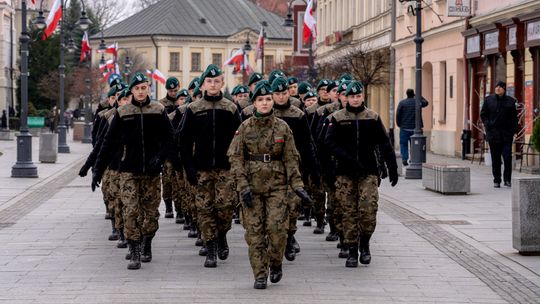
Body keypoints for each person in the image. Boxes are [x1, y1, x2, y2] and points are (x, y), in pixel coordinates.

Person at [227, 81, 312, 289]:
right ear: (254, 103)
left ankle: (276, 263)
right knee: (254, 233)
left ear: (272, 101)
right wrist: (242, 186)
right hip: (252, 188)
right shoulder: (245, 127)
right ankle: (260, 274)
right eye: (260, 100)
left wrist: (298, 186)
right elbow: (235, 158)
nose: (264, 103)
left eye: (267, 99)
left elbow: (291, 158)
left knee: (277, 230)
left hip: (277, 186)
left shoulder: (282, 127)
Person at [93, 72, 174, 270]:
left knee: (150, 214)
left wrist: (160, 157)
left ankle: (147, 242)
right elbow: (108, 143)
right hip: (128, 170)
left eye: (143, 88)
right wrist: (98, 169)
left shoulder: (158, 110)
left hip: (152, 172)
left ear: (148, 88)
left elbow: (170, 139)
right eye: (137, 89)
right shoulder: (123, 113)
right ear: (131, 91)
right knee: (130, 211)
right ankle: (135, 250)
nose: (140, 91)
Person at [325, 81, 398, 268]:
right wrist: (344, 159)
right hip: (345, 172)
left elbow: (384, 143)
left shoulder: (372, 117)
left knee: (368, 210)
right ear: (346, 98)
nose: (356, 99)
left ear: (362, 97)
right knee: (348, 212)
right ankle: (351, 250)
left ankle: (364, 245)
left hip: (368, 171)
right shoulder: (337, 118)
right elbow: (329, 143)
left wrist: (392, 168)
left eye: (358, 96)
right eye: (352, 96)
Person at [178, 64, 242, 268]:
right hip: (201, 168)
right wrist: (188, 167)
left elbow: (239, 139)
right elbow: (184, 141)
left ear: (222, 83)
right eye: (209, 81)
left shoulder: (230, 108)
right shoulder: (194, 109)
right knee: (204, 210)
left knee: (225, 208)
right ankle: (211, 247)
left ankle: (222, 234)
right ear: (203, 84)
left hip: (225, 168)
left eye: (217, 81)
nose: (213, 84)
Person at [480, 80, 518, 188]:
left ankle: (507, 180)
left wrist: (514, 132)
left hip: (506, 135)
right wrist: (488, 125)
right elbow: (483, 114)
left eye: (500, 87)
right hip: (493, 134)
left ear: (504, 89)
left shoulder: (511, 101)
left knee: (507, 158)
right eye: (496, 86)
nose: (497, 88)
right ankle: (496, 179)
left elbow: (514, 119)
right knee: (495, 158)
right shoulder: (489, 100)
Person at [395, 89, 429, 166]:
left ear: (406, 94)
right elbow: (426, 103)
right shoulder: (418, 102)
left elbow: (398, 115)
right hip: (415, 129)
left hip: (404, 128)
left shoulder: (402, 103)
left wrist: (399, 124)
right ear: (413, 94)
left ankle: (404, 158)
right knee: (415, 144)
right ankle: (413, 158)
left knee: (403, 144)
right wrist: (419, 96)